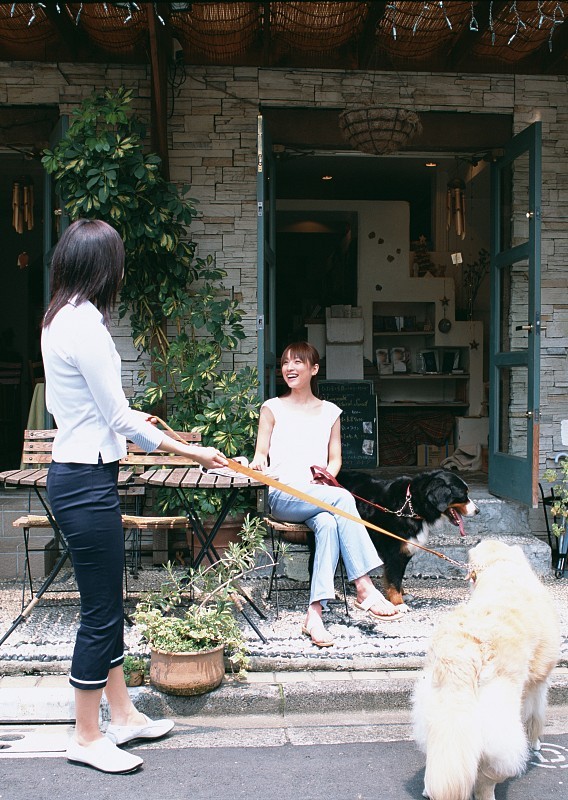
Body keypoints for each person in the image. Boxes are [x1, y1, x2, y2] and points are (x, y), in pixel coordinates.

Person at [41, 219, 228, 774]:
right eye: (117, 260)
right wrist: (194, 452)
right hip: (84, 480)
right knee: (100, 611)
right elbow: (119, 417)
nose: (120, 271)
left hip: (79, 474)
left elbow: (87, 409)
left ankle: (121, 716)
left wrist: (123, 425)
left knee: (107, 602)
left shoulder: (58, 318)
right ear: (104, 267)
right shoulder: (88, 327)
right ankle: (85, 734)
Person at [250, 341, 402, 648]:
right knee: (343, 498)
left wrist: (325, 478)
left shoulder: (330, 412)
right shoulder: (271, 408)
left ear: (314, 369)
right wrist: (256, 466)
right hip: (284, 496)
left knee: (330, 523)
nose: (289, 368)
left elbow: (335, 460)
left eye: (297, 363)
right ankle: (363, 586)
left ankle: (314, 614)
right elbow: (259, 456)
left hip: (319, 495)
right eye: (285, 363)